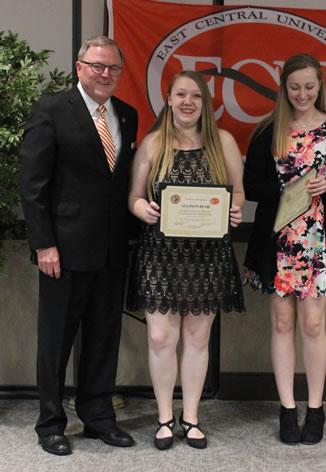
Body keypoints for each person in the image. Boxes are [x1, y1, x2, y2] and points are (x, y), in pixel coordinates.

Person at [19, 36, 138, 455]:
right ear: (79, 67)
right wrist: (43, 245)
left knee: (104, 338)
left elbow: (119, 182)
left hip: (111, 250)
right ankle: (50, 424)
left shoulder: (128, 114)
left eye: (113, 68)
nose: (106, 74)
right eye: (98, 66)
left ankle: (99, 418)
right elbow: (32, 185)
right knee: (56, 342)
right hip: (63, 252)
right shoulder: (51, 110)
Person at [126, 70, 245, 450]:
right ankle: (164, 417)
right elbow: (134, 196)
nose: (188, 102)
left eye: (195, 95)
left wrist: (235, 209)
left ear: (205, 102)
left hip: (207, 257)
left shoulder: (223, 142)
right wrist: (142, 208)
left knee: (197, 338)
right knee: (161, 337)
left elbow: (238, 192)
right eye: (180, 94)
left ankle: (191, 418)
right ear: (169, 99)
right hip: (159, 255)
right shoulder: (152, 143)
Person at [243, 54, 326, 445]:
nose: (302, 94)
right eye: (294, 87)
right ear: (283, 87)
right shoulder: (268, 129)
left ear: (320, 85)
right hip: (278, 243)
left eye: (309, 86)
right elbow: (250, 187)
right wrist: (286, 189)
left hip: (318, 241)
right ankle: (287, 409)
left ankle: (316, 408)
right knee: (282, 323)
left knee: (313, 325)